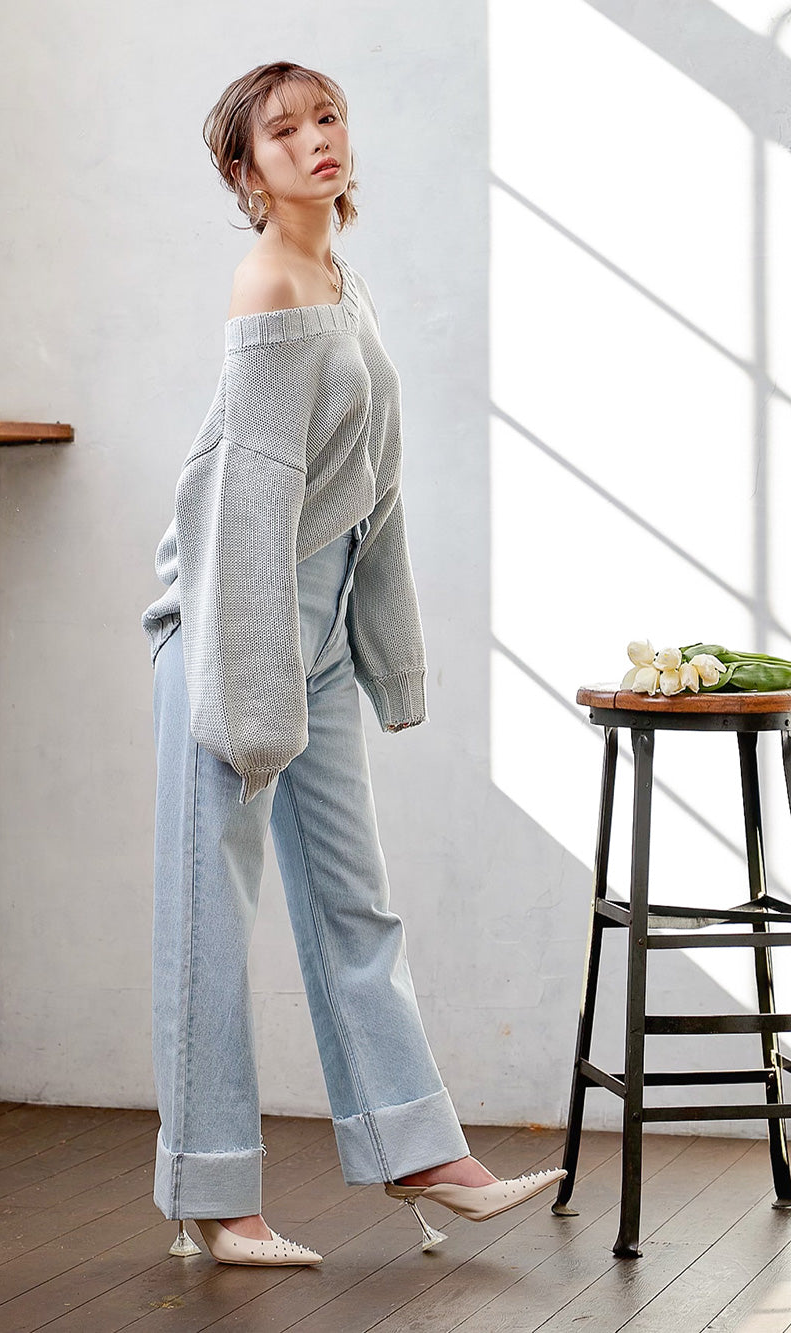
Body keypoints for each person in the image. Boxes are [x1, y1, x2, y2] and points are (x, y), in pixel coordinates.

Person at [139, 60, 565, 1267]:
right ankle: (214, 1197)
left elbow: (374, 485)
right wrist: (254, 700)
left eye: (326, 117)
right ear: (244, 168)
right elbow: (246, 508)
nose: (315, 139)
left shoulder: (339, 276)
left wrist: (380, 654)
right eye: (282, 131)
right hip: (233, 634)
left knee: (351, 895)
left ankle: (417, 1146)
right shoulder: (269, 282)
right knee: (209, 918)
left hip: (312, 629)